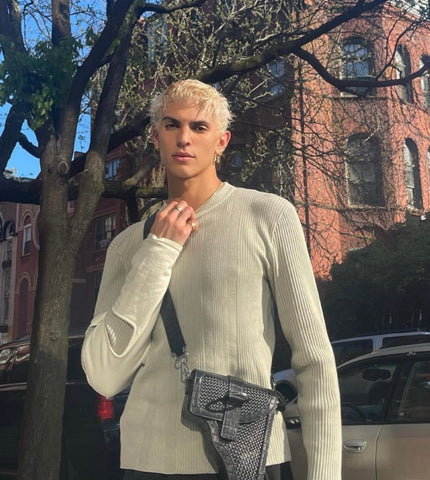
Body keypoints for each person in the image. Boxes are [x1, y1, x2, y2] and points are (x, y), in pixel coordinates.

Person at [81, 79, 341, 480]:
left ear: (222, 141)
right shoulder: (127, 245)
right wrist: (158, 251)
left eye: (199, 127)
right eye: (172, 125)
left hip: (249, 457)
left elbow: (314, 358)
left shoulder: (269, 216)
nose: (184, 138)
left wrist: (324, 473)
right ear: (156, 137)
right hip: (147, 462)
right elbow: (104, 375)